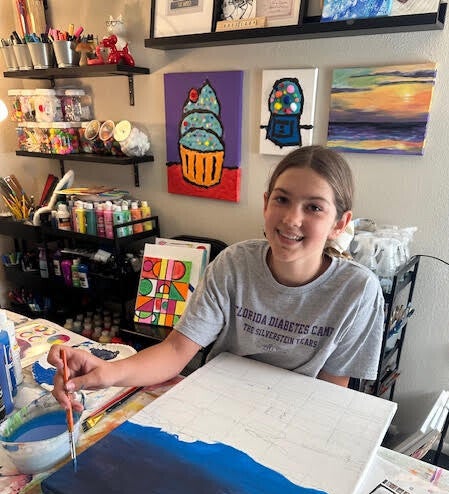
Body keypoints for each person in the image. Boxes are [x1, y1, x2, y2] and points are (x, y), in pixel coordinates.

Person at [49, 145, 384, 412]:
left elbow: (331, 392)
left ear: (340, 223)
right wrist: (107, 372)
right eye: (282, 199)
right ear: (266, 204)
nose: (291, 219)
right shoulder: (233, 264)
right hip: (217, 403)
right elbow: (176, 350)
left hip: (293, 415)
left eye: (314, 208)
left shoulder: (357, 291)